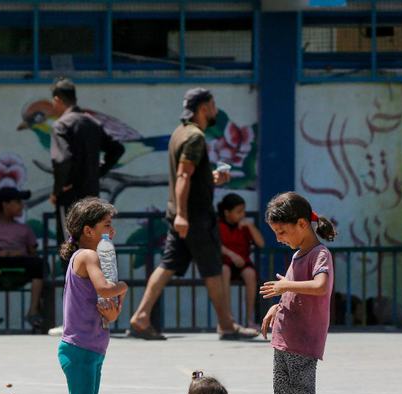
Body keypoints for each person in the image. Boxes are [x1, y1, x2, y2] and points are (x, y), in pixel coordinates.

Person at [128, 88, 258, 341]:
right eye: (213, 104)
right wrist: (184, 215)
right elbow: (183, 176)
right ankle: (227, 325)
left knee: (167, 265)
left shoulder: (179, 133)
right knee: (213, 270)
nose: (215, 109)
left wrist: (211, 179)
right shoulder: (195, 136)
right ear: (203, 108)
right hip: (195, 217)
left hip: (183, 215)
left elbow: (191, 175)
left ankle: (141, 317)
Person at [258, 191, 339, 394]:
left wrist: (285, 286)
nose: (279, 238)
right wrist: (278, 305)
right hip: (284, 341)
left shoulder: (320, 255)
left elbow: (319, 287)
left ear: (303, 224)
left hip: (303, 344)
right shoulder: (296, 256)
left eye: (282, 231)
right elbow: (296, 296)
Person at [57, 197, 127, 394]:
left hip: (89, 348)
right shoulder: (87, 254)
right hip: (81, 349)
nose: (110, 230)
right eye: (105, 225)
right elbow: (104, 289)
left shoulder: (86, 255)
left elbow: (103, 308)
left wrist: (111, 313)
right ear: (88, 230)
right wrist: (123, 287)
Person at [48, 78, 125, 244]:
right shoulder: (92, 122)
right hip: (92, 197)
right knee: (90, 247)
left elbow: (62, 160)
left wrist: (58, 190)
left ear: (57, 100)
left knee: (69, 248)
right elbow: (117, 149)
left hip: (70, 199)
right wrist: (98, 172)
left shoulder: (61, 125)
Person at [0, 187, 46, 331]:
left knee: (38, 265)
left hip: (19, 261)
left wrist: (17, 253)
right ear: (5, 205)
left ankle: (33, 312)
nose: (21, 206)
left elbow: (33, 252)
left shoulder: (24, 229)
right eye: (17, 202)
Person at [217, 194, 266, 329]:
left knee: (250, 274)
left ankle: (250, 319)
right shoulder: (218, 225)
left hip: (243, 264)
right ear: (227, 212)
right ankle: (228, 318)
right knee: (224, 271)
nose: (242, 214)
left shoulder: (244, 226)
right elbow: (216, 245)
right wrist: (232, 255)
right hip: (226, 262)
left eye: (243, 211)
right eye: (238, 212)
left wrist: (250, 226)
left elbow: (261, 243)